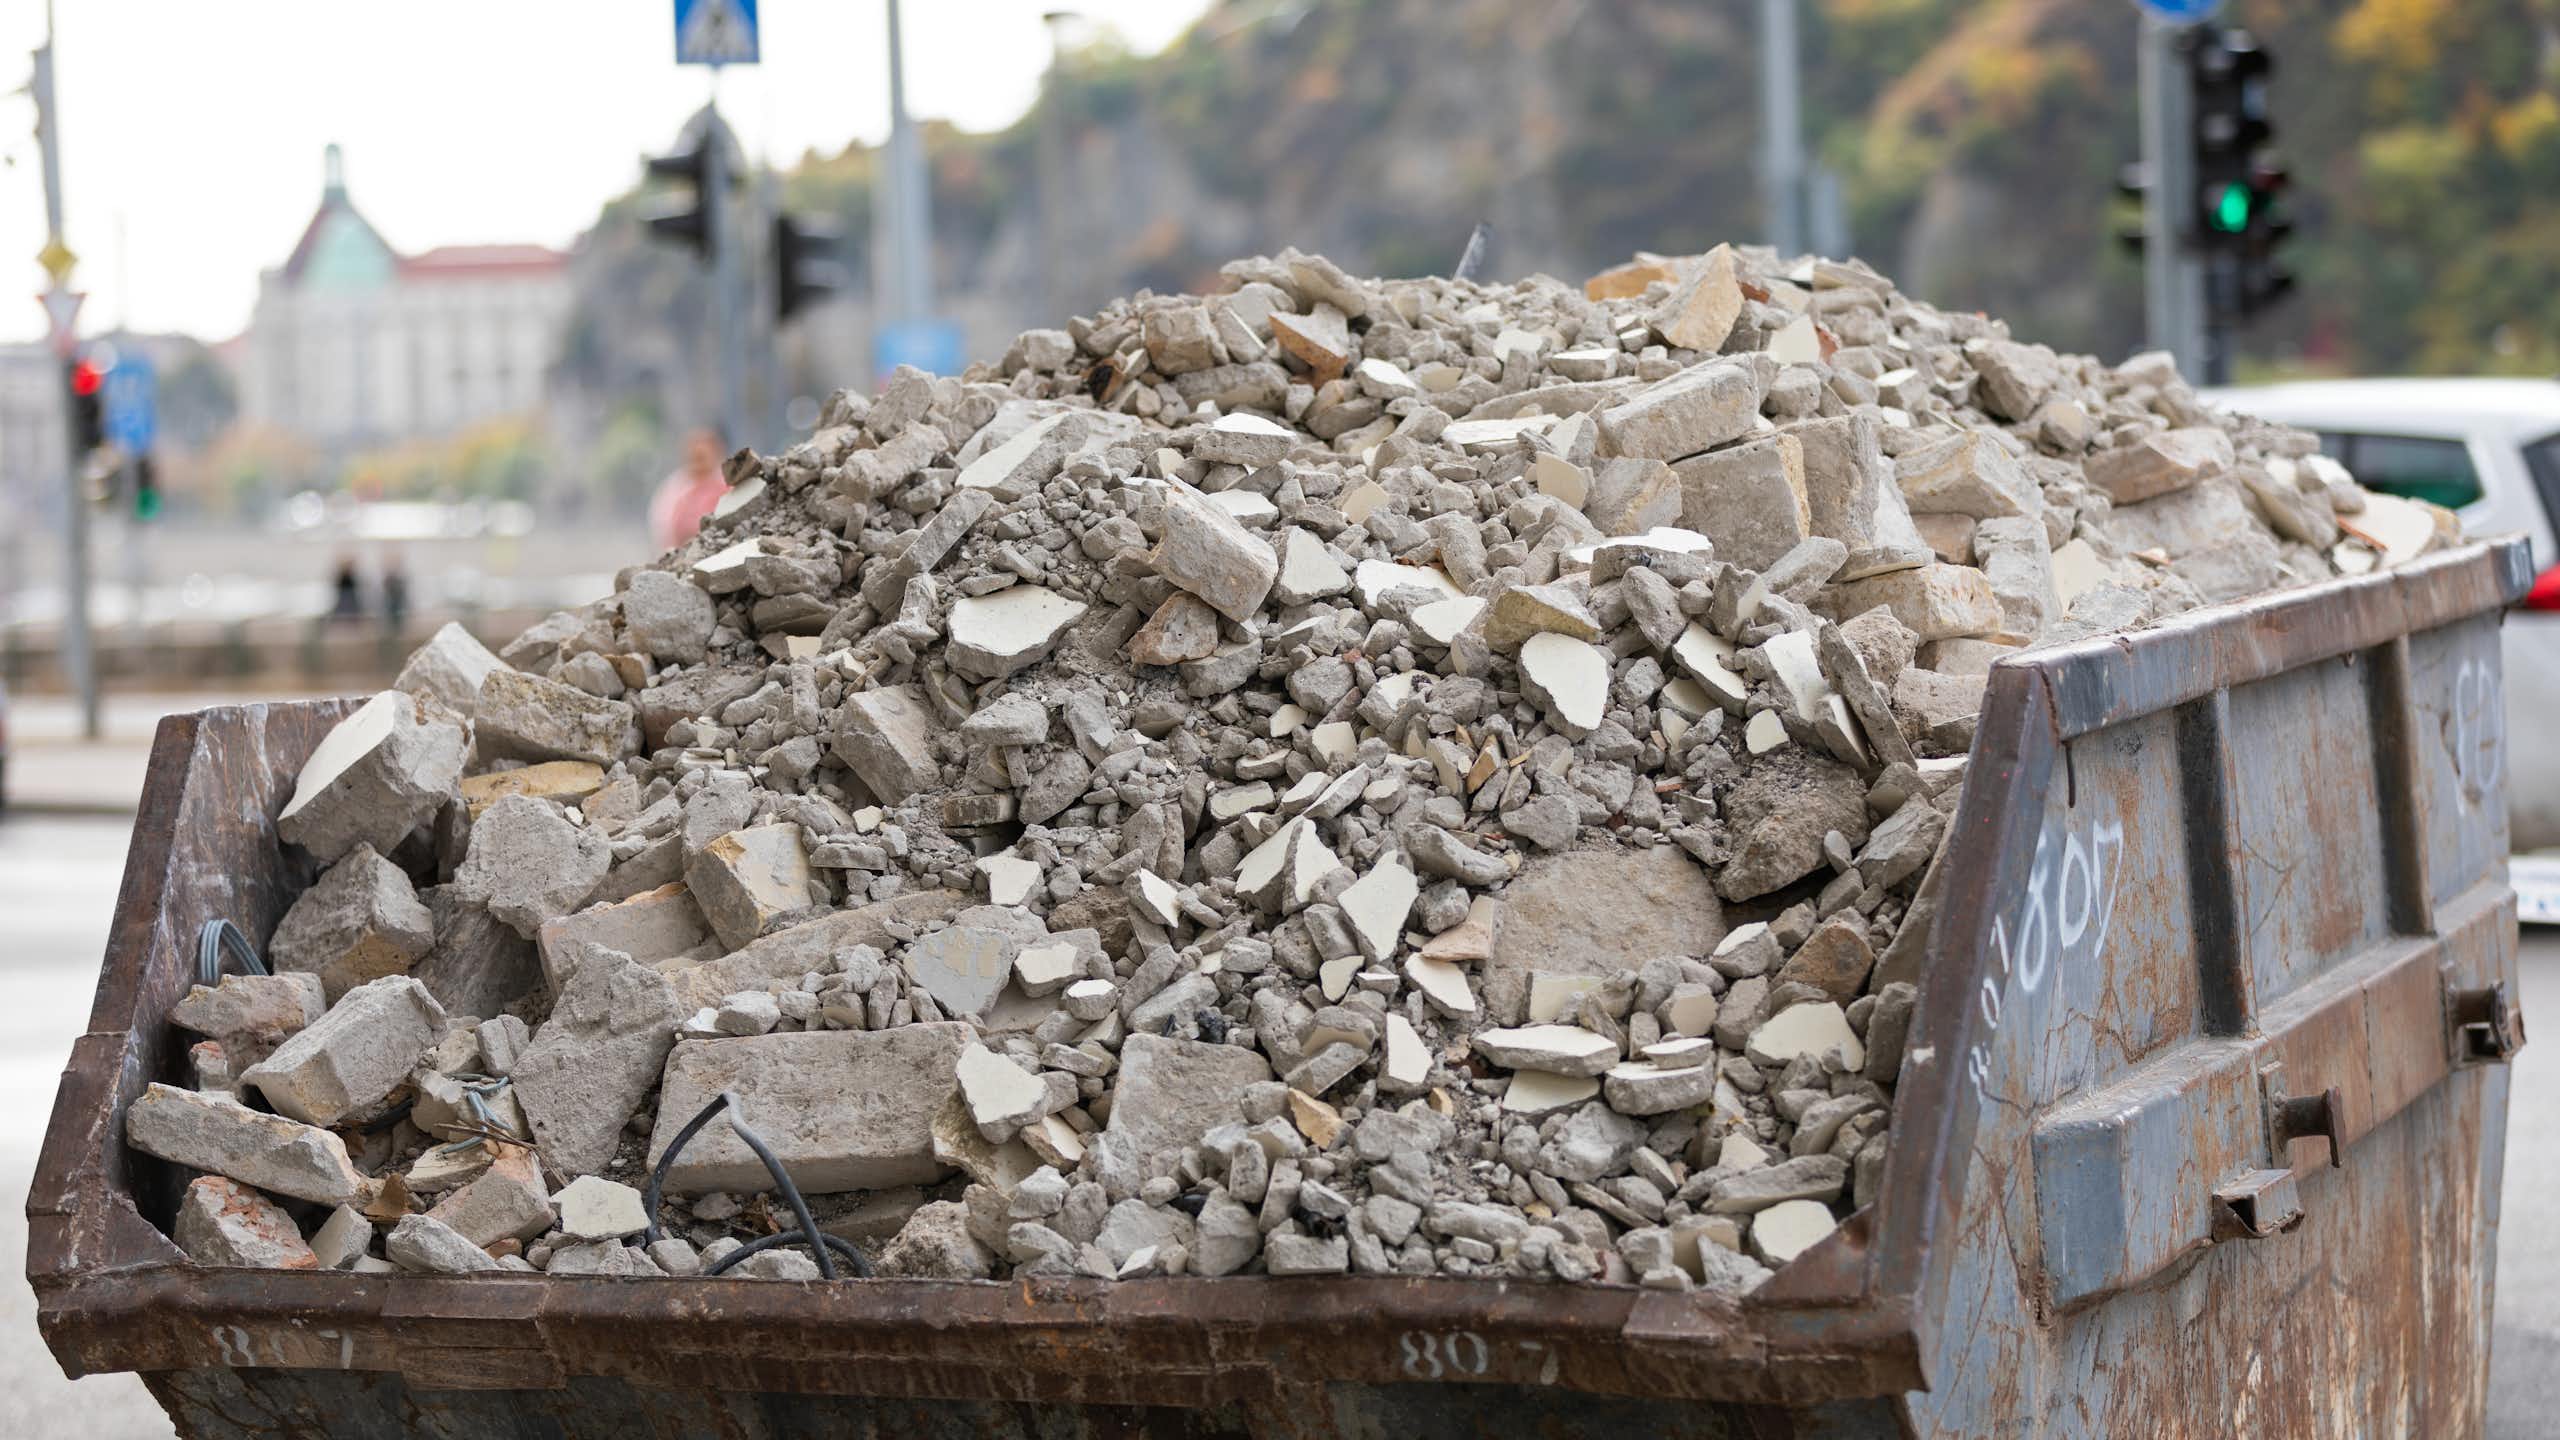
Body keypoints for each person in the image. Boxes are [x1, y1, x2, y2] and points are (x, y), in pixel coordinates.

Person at [650, 428, 730, 551]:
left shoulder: (726, 484)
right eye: (695, 456)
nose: (698, 461)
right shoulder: (675, 488)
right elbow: (663, 526)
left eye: (702, 457)